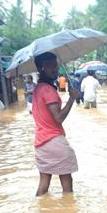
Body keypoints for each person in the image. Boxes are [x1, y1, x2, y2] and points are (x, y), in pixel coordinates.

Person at [31, 52, 80, 196]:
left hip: (41, 142)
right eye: (50, 66)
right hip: (54, 141)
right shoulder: (48, 90)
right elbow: (58, 118)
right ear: (41, 69)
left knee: (43, 184)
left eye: (55, 65)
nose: (55, 69)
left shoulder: (38, 89)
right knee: (67, 187)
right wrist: (72, 99)